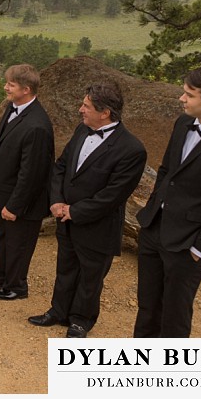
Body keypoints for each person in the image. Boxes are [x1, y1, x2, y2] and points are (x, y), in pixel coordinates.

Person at [27, 83, 146, 338]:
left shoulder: (132, 149)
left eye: (86, 106)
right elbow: (61, 167)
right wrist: (56, 201)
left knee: (91, 277)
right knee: (65, 269)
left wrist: (76, 211)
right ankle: (58, 311)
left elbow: (113, 194)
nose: (80, 109)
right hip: (65, 218)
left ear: (105, 113)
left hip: (98, 226)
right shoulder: (82, 130)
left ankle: (81, 320)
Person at [133, 66, 201, 338]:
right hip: (154, 230)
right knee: (147, 307)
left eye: (189, 94)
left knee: (175, 314)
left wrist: (200, 250)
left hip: (188, 244)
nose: (182, 99)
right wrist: (151, 213)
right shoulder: (183, 123)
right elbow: (167, 170)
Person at [0, 63, 54, 300]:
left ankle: (16, 286)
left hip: (22, 200)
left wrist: (15, 205)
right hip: (3, 191)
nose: (5, 87)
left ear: (26, 89)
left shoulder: (37, 125)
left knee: (18, 243)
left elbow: (32, 173)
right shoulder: (13, 108)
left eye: (11, 84)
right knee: (4, 236)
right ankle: (0, 275)